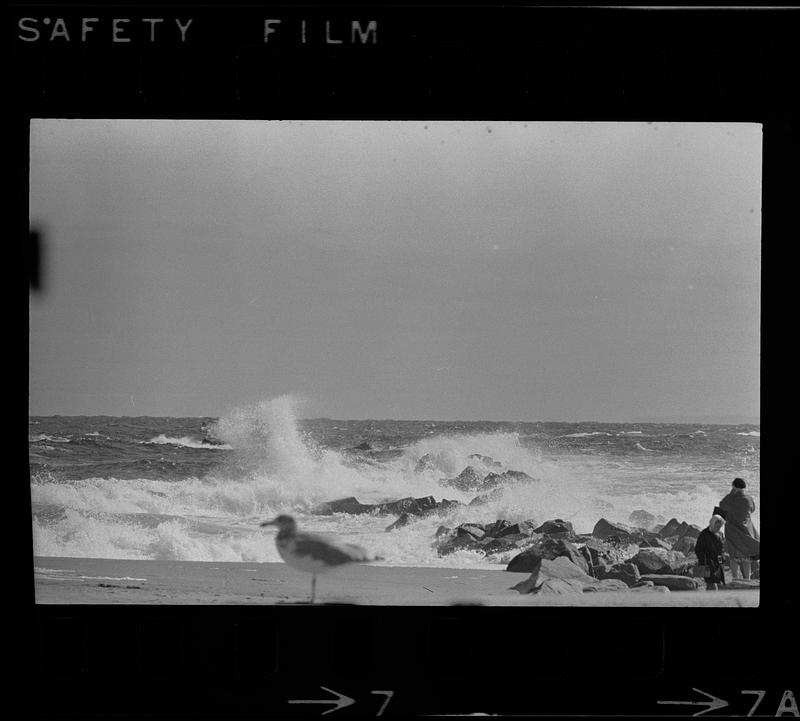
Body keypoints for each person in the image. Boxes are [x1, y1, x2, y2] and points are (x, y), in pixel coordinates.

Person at [718, 477, 760, 580]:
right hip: (747, 529)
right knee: (746, 558)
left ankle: (735, 579)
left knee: (734, 557)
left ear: (734, 487)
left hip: (732, 530)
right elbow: (752, 509)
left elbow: (721, 505)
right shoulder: (749, 499)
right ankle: (747, 579)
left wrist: (731, 493)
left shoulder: (731, 498)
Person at [694, 515, 726, 590]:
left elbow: (722, 549)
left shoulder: (720, 534)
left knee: (713, 583)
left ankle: (708, 600)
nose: (718, 529)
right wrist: (703, 560)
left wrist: (722, 559)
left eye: (720, 527)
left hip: (717, 563)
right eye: (717, 527)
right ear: (712, 524)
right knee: (711, 583)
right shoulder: (704, 534)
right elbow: (698, 549)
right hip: (707, 563)